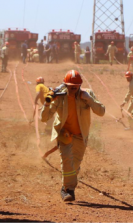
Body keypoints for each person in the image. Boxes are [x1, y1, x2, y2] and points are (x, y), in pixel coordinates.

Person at [41, 70, 105, 202]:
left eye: (75, 87)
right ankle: (68, 190)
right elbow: (44, 118)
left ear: (80, 85)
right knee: (67, 162)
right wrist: (47, 103)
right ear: (65, 85)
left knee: (75, 165)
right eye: (70, 86)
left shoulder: (87, 94)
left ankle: (68, 185)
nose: (72, 89)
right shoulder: (59, 97)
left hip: (81, 135)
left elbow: (101, 111)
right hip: (65, 134)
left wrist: (89, 99)